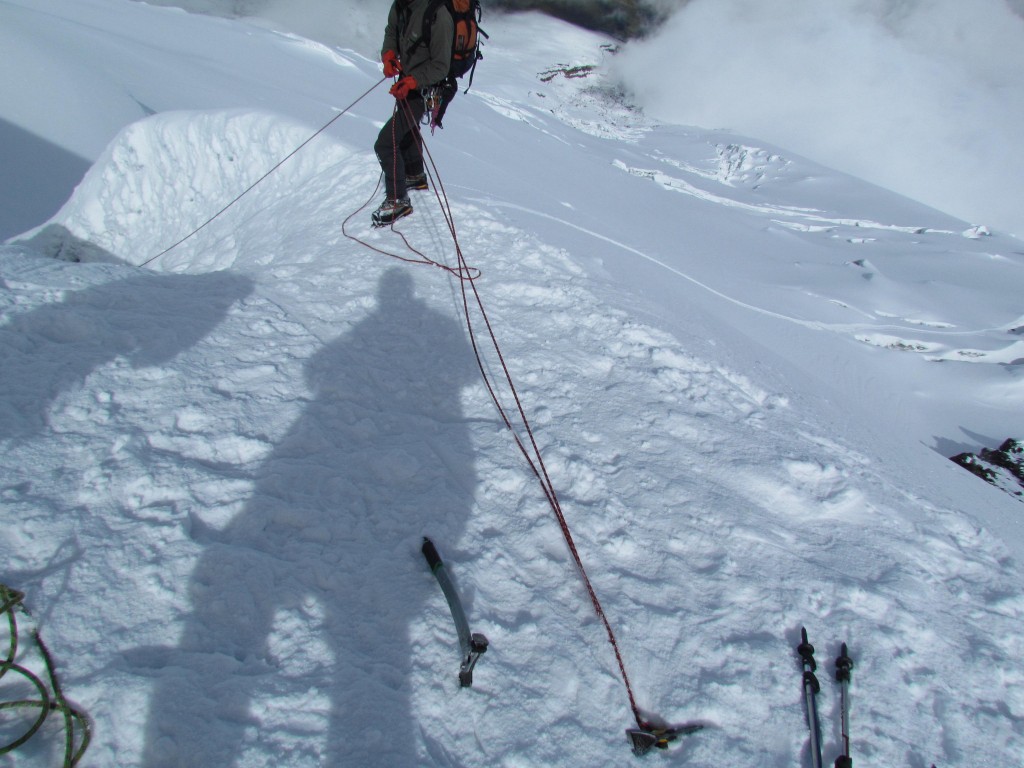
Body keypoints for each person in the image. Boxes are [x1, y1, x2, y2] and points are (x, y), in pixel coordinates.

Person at [372, 0, 454, 227]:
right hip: (409, 84)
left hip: (426, 90)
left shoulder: (438, 15)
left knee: (386, 143)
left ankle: (398, 200)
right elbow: (392, 30)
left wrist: (412, 82)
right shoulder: (401, 5)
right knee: (406, 129)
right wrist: (389, 55)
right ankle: (415, 174)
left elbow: (441, 66)